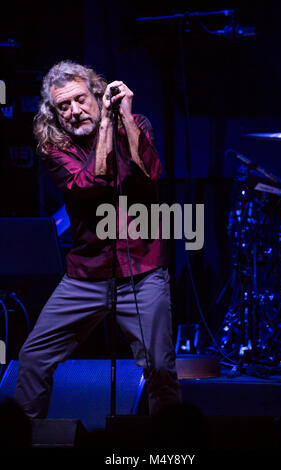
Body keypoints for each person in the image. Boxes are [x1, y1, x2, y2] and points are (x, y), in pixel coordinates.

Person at [15, 60, 181, 418]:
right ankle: (23, 439)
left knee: (160, 369)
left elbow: (150, 171)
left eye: (80, 100)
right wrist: (106, 124)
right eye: (64, 106)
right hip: (85, 276)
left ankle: (169, 446)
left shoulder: (134, 126)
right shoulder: (53, 147)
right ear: (55, 113)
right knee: (32, 359)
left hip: (142, 270)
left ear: (97, 94)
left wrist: (124, 118)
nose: (74, 111)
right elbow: (91, 185)